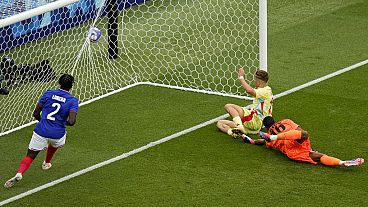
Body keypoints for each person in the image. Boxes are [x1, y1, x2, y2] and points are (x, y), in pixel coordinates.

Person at [4, 74, 79, 188]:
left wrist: (42, 121)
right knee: (54, 144)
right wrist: (60, 123)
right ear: (71, 86)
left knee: (30, 155)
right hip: (57, 133)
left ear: (59, 83)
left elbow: (35, 113)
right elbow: (72, 121)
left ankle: (19, 173)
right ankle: (46, 163)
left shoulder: (48, 93)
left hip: (41, 130)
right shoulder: (72, 100)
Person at [240, 116, 364, 167]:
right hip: (293, 141)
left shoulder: (268, 137)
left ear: (267, 128)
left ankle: (343, 162)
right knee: (304, 134)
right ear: (275, 120)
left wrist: (251, 141)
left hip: (291, 152)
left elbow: (261, 142)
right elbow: (298, 130)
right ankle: (343, 162)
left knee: (317, 156)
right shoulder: (286, 121)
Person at [217, 68, 273, 137]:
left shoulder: (265, 91)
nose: (254, 81)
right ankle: (234, 133)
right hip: (256, 124)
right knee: (220, 123)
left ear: (259, 81)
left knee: (228, 106)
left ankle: (239, 126)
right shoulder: (266, 90)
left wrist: (241, 77)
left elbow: (249, 90)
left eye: (255, 79)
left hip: (255, 119)